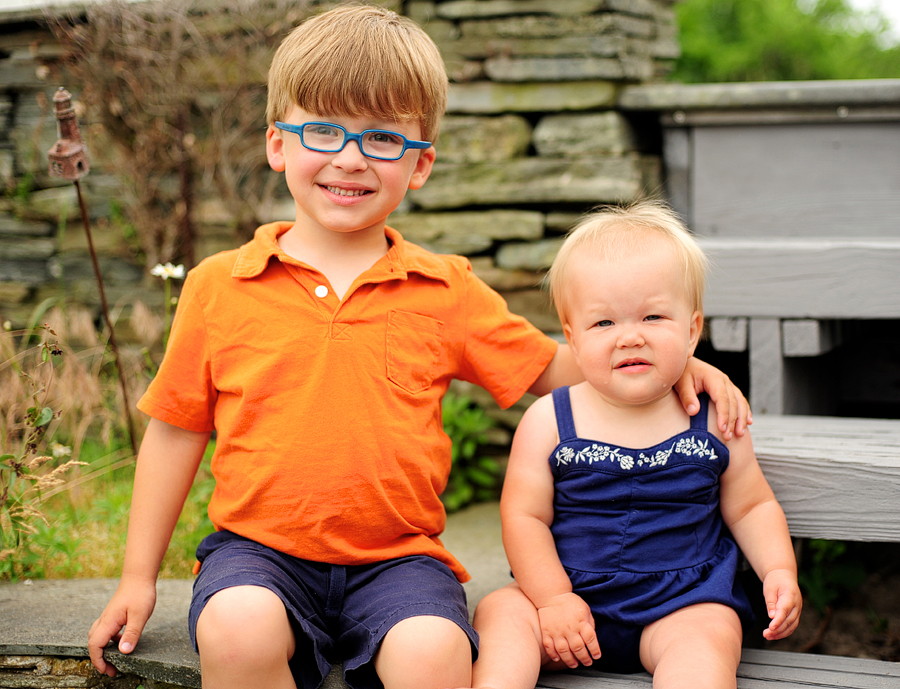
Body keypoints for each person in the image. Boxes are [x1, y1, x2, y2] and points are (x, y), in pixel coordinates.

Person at [86, 7, 751, 689]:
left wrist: (664, 356)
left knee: (434, 653)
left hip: (399, 560)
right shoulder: (219, 287)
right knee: (238, 627)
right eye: (322, 129)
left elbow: (552, 367)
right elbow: (173, 433)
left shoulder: (443, 290)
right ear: (278, 144)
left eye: (380, 138)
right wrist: (139, 577)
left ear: (421, 163)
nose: (349, 157)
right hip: (258, 553)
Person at [464, 201, 800, 689]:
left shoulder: (713, 418)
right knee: (502, 612)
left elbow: (751, 506)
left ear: (692, 330)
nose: (630, 338)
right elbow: (524, 518)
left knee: (707, 640)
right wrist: (554, 599)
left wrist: (778, 569)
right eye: (604, 323)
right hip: (566, 602)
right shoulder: (549, 421)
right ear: (572, 338)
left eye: (653, 317)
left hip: (681, 603)